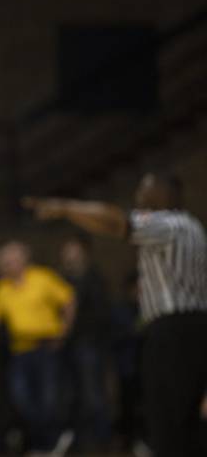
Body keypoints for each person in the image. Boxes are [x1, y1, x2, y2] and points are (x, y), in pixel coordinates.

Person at [24, 172, 207, 457]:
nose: (138, 196)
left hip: (172, 330)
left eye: (145, 189)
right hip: (194, 327)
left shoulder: (168, 224)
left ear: (165, 194)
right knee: (186, 417)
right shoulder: (193, 226)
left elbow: (116, 221)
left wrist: (65, 207)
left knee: (167, 417)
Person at [0, 241, 75, 454]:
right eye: (5, 262)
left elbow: (68, 299)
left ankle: (51, 442)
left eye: (13, 260)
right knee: (22, 398)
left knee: (49, 397)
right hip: (20, 351)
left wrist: (65, 331)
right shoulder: (2, 288)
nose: (9, 265)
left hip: (47, 347)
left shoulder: (42, 277)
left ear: (24, 259)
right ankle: (45, 442)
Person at [58, 234, 111, 451]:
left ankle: (102, 440)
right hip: (68, 345)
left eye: (73, 250)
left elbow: (100, 315)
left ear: (84, 252)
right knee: (73, 394)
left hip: (89, 344)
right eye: (66, 250)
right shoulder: (62, 279)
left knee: (93, 393)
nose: (69, 255)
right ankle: (80, 440)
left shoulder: (94, 278)